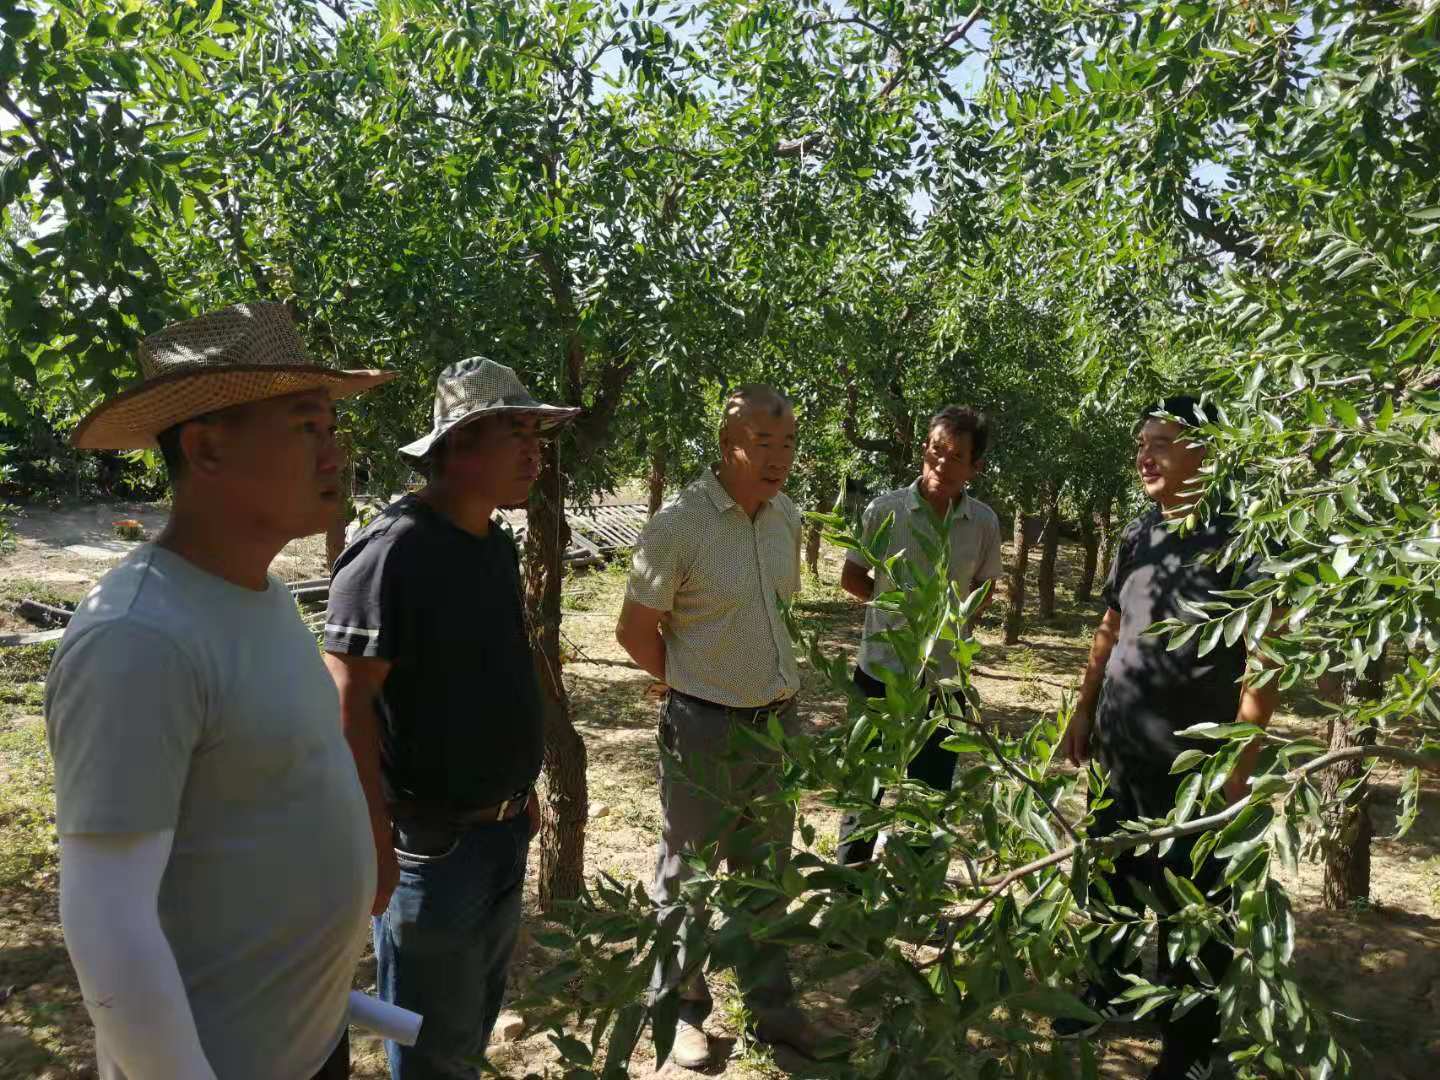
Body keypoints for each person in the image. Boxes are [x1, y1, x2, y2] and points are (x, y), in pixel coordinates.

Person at [44, 302, 393, 1079]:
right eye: (307, 426)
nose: (335, 451)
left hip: (305, 1041)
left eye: (331, 427)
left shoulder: (257, 593)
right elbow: (107, 922)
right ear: (205, 448)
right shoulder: (138, 639)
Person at [324, 357, 578, 1079]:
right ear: (459, 446)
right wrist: (373, 838)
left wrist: (516, 787)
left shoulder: (494, 544)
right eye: (514, 434)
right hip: (430, 849)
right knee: (429, 1041)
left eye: (537, 434)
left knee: (468, 1023)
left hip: (498, 831)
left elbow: (483, 676)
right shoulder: (394, 552)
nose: (535, 452)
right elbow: (348, 701)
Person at [1056, 396, 1279, 1080]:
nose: (1144, 455)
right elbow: (1109, 625)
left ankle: (1185, 1045)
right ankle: (1105, 991)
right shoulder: (1138, 534)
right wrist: (1082, 710)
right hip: (1123, 745)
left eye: (1160, 441)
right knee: (1111, 877)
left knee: (1192, 899)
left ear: (1204, 450)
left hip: (1197, 761)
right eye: (1140, 444)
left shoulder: (1242, 538)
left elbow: (1267, 654)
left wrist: (1241, 759)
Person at [616, 384, 836, 1070]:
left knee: (765, 874)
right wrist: (687, 681)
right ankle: (679, 1011)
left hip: (777, 727)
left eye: (789, 444)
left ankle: (775, 1012)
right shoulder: (679, 525)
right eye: (762, 443)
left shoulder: (785, 517)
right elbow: (633, 630)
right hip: (703, 730)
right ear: (726, 444)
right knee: (685, 874)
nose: (778, 458)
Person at [836, 405, 1004, 868]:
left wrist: (952, 625)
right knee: (863, 793)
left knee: (929, 796)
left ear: (975, 467)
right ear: (923, 451)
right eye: (935, 450)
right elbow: (852, 576)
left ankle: (911, 895)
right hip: (881, 674)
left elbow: (986, 588)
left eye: (955, 456)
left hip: (944, 682)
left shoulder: (984, 523)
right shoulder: (883, 511)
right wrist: (896, 609)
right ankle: (848, 896)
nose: (941, 463)